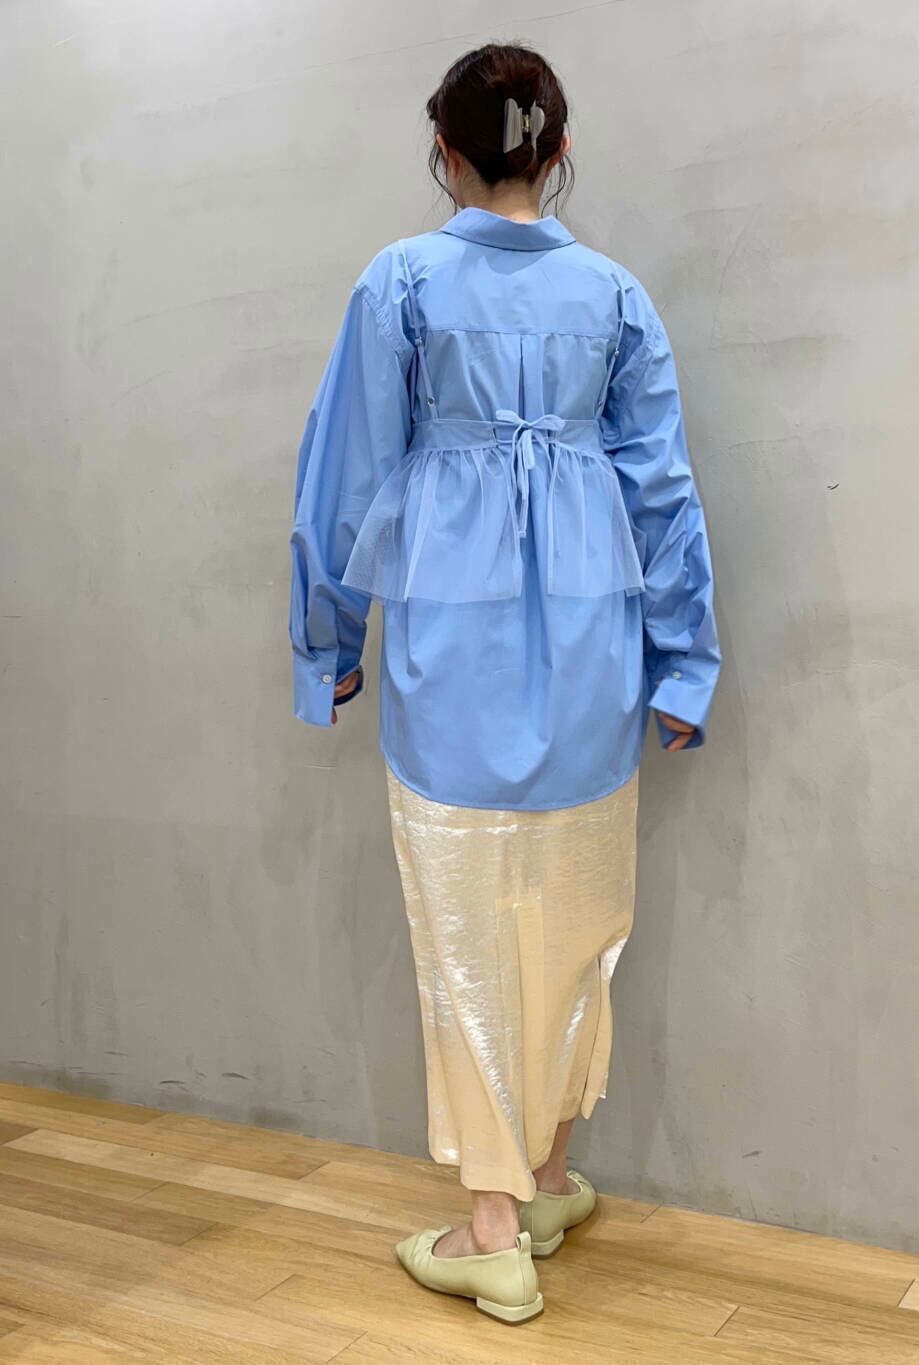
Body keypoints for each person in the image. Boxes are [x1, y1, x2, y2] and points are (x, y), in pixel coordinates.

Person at [288, 42, 721, 1324]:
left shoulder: (400, 282)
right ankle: (545, 1181)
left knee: (465, 931)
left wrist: (327, 643)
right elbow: (664, 493)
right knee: (576, 926)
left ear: (445, 152)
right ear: (559, 150)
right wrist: (685, 663)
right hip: (595, 657)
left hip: (450, 660)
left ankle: (492, 1234)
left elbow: (343, 479)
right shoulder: (615, 296)